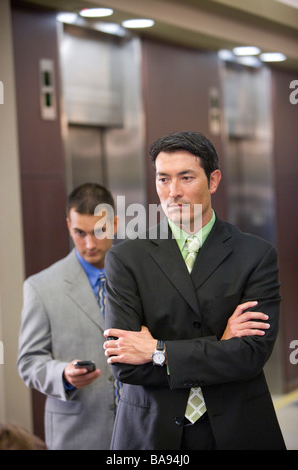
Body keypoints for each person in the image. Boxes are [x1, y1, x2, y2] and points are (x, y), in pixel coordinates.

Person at [103, 131, 286, 450]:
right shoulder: (126, 258)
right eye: (163, 179)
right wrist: (221, 345)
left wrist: (157, 351)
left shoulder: (255, 255)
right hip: (152, 431)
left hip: (238, 427)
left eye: (186, 177)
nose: (172, 192)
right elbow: (124, 365)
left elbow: (250, 356)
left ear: (213, 180)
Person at [17, 183, 119, 450]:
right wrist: (62, 373)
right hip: (78, 433)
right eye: (79, 232)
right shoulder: (41, 287)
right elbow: (28, 361)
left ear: (115, 224)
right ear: (68, 225)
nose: (90, 244)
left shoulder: (142, 277)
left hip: (140, 431)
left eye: (99, 231)